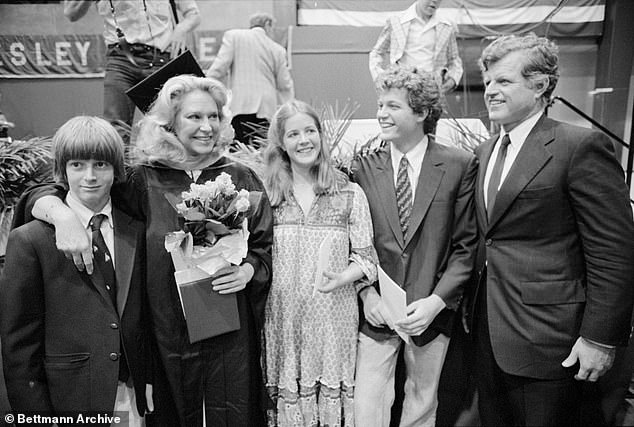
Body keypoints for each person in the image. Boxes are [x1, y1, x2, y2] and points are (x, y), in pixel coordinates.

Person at [21, 76, 273, 426]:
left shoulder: (240, 177)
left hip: (229, 330)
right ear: (169, 123)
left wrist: (246, 271)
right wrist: (60, 215)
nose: (207, 127)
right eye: (194, 117)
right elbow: (68, 189)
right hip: (165, 332)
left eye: (213, 116)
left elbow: (264, 247)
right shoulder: (143, 180)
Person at [468, 33, 634, 426]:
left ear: (540, 85)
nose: (490, 90)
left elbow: (614, 252)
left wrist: (600, 338)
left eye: (503, 81)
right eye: (488, 81)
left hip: (551, 344)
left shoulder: (579, 146)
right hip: (489, 338)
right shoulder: (487, 151)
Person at [0, 116, 152, 424]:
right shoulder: (30, 240)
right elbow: (19, 345)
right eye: (78, 165)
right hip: (67, 397)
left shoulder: (137, 230)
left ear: (116, 169)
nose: (90, 177)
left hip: (134, 398)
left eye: (101, 165)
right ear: (62, 170)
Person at [351, 66, 478, 427]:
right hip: (376, 313)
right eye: (380, 104)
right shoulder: (362, 167)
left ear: (421, 113)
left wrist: (437, 301)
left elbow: (466, 246)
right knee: (367, 407)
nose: (381, 113)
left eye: (392, 106)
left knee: (422, 404)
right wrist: (367, 295)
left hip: (431, 312)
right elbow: (353, 241)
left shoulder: (458, 165)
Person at [262, 100, 378, 426]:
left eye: (310, 131)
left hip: (332, 323)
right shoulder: (268, 196)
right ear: (281, 144)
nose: (304, 141)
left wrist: (343, 276)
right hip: (282, 322)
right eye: (294, 134)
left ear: (321, 136)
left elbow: (367, 259)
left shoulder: (348, 192)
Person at [63, 0, 201, 141]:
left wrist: (181, 29)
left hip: (160, 57)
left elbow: (193, 14)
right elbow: (71, 13)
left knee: (167, 127)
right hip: (120, 59)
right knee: (115, 129)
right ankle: (120, 162)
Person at [207, 12, 294, 146]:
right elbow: (284, 85)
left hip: (240, 107)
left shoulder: (234, 36)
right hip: (266, 110)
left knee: (238, 153)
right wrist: (289, 112)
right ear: (268, 25)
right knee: (261, 153)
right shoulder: (277, 49)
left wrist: (204, 89)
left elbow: (219, 69)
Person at [368, 0, 462, 93]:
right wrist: (378, 76)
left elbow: (454, 59)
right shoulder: (396, 21)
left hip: (431, 89)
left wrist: (453, 80)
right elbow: (377, 53)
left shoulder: (447, 25)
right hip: (401, 87)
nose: (435, 1)